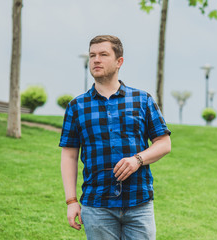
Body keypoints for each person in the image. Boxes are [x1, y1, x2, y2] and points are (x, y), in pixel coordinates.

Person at [59, 35, 171, 240]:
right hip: (97, 205)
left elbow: (164, 143)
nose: (96, 60)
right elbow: (69, 156)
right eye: (92, 55)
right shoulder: (77, 106)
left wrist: (137, 160)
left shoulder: (142, 100)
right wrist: (71, 201)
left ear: (119, 62)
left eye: (103, 54)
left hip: (139, 203)